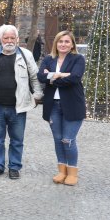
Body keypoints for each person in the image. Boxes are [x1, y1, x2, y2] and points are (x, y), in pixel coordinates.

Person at [0, 25, 43, 180]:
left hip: (18, 106)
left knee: (17, 140)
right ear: (1, 39)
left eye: (12, 38)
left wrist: (37, 94)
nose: (9, 41)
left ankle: (14, 167)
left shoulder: (26, 55)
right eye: (5, 38)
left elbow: (34, 76)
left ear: (17, 39)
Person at [38, 31, 86, 186]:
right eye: (60, 41)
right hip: (53, 106)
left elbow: (75, 78)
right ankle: (62, 171)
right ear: (56, 43)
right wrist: (62, 75)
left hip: (72, 105)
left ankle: (72, 172)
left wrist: (52, 77)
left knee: (68, 140)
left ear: (72, 44)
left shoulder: (78, 59)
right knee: (58, 140)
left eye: (67, 41)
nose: (63, 44)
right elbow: (40, 76)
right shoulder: (48, 59)